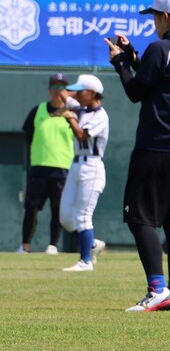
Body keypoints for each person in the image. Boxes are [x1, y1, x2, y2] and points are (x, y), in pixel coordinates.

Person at [107, 0, 170, 312]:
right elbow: (164, 80)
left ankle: (157, 289)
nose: (152, 22)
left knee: (141, 218)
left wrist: (120, 62)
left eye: (154, 16)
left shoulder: (160, 47)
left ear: (164, 17)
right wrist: (134, 56)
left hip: (157, 145)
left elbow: (137, 91)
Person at [19, 73, 74, 255]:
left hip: (62, 169)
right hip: (39, 167)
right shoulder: (38, 110)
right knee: (31, 208)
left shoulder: (72, 115)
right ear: (49, 89)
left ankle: (52, 246)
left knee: (57, 209)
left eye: (62, 86)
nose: (58, 91)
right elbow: (28, 135)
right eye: (55, 86)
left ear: (67, 90)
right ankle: (25, 246)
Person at [59, 74, 109, 272]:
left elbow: (81, 134)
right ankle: (92, 244)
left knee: (83, 216)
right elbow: (63, 93)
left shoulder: (100, 115)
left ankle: (85, 261)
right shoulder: (80, 107)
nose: (77, 94)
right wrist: (74, 95)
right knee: (66, 218)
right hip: (76, 165)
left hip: (92, 167)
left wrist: (70, 116)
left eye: (82, 91)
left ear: (93, 93)